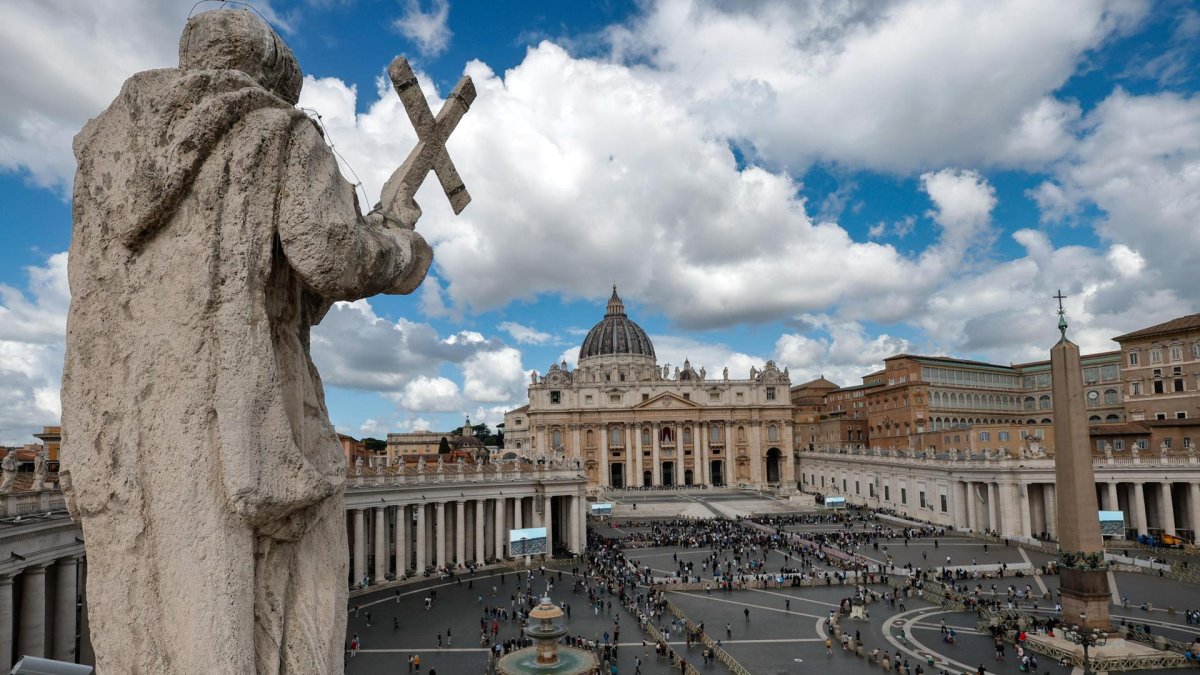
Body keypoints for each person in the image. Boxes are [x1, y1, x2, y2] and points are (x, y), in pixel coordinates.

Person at [61, 8, 435, 674]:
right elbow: (333, 255)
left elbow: (280, 293)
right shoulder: (276, 129)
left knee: (153, 618)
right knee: (269, 617)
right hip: (238, 427)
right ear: (274, 77)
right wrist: (399, 243)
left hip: (121, 439)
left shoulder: (104, 167)